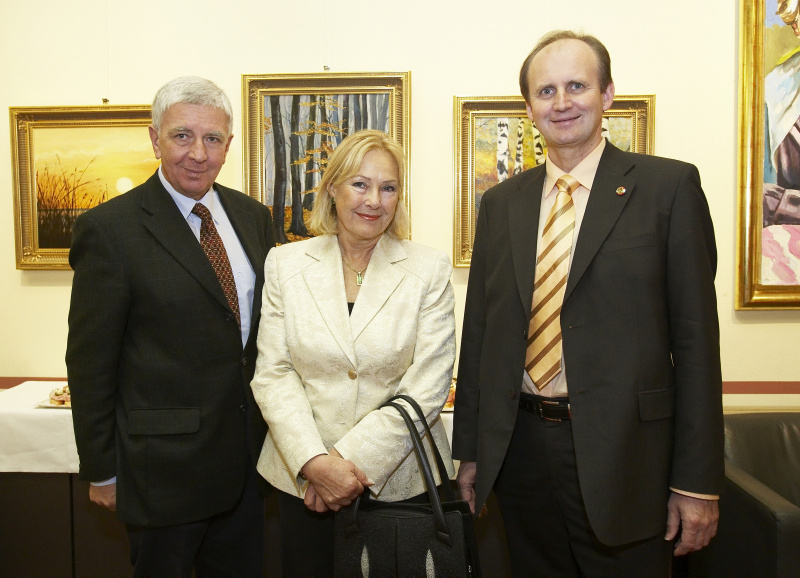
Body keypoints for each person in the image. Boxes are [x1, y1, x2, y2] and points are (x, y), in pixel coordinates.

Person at [452, 30, 723, 576]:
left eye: (577, 85)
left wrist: (696, 483)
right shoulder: (502, 203)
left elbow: (696, 343)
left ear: (608, 95)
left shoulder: (667, 188)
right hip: (520, 453)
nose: (562, 102)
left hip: (629, 459)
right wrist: (472, 451)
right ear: (529, 108)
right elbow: (483, 332)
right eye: (546, 91)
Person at [66, 76, 275, 577]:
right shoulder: (110, 229)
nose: (198, 153)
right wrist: (102, 470)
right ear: (155, 138)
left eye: (213, 139)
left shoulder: (253, 218)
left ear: (228, 144)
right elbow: (90, 363)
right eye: (182, 136)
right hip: (161, 475)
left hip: (248, 467)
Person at [250, 129, 456, 576]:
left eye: (388, 187)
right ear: (332, 189)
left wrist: (345, 465)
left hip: (400, 486)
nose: (374, 200)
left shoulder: (428, 268)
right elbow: (273, 373)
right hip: (303, 484)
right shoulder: (285, 264)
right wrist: (315, 463)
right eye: (360, 184)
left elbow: (427, 386)